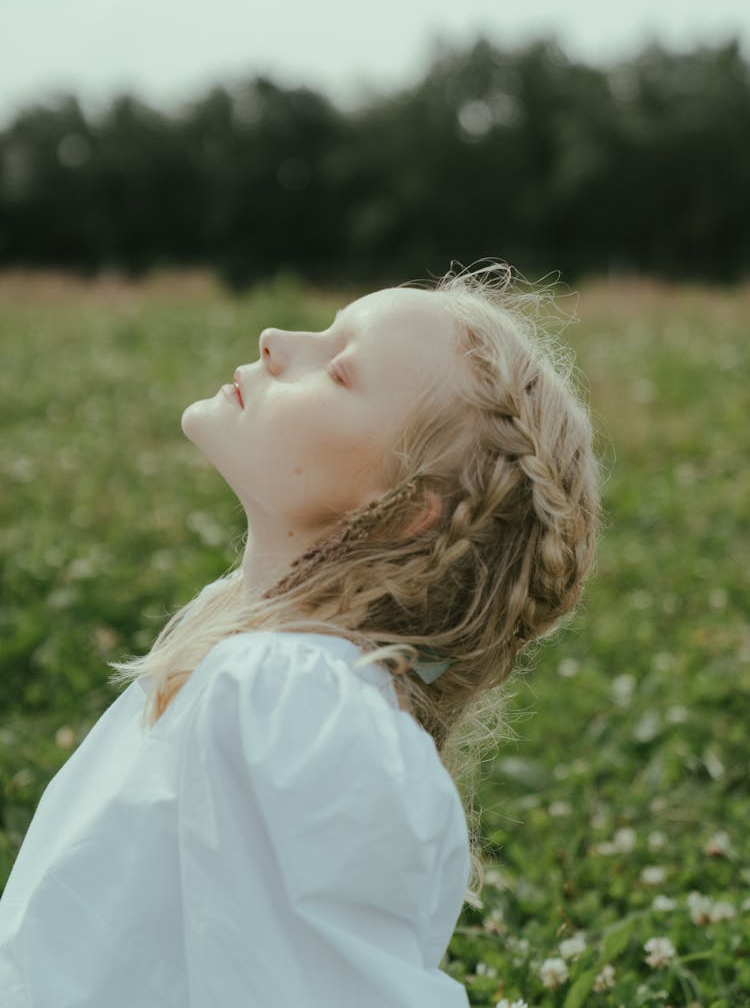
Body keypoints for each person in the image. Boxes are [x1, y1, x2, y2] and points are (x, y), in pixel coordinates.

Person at [0, 263, 599, 1006]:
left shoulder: (291, 699)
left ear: (406, 510)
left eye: (341, 369)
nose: (277, 339)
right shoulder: (256, 659)